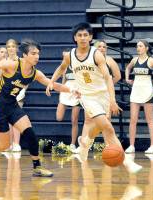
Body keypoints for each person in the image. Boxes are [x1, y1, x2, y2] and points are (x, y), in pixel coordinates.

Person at [0, 38, 79, 177]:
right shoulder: (12, 65)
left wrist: (71, 90)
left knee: (30, 134)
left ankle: (37, 167)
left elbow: (52, 84)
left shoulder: (35, 73)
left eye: (38, 53)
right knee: (4, 145)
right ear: (25, 55)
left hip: (12, 106)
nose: (37, 56)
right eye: (33, 53)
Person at [46, 22, 142, 173]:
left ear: (91, 37)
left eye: (86, 35)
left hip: (102, 95)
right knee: (108, 128)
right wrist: (51, 81)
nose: (83, 38)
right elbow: (61, 68)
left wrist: (112, 100)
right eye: (80, 35)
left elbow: (109, 78)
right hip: (87, 97)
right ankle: (127, 162)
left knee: (98, 127)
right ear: (75, 38)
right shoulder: (70, 55)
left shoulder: (96, 54)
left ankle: (85, 141)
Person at [72, 40, 121, 154]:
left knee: (106, 121)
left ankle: (108, 145)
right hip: (90, 94)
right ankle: (83, 145)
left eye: (104, 46)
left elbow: (117, 76)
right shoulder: (89, 60)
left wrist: (107, 87)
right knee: (88, 120)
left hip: (104, 94)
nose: (102, 48)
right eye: (99, 46)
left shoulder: (110, 61)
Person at [125, 40, 153, 154]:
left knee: (150, 120)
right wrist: (127, 79)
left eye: (140, 46)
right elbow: (127, 68)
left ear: (146, 48)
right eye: (137, 46)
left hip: (147, 92)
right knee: (133, 120)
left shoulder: (151, 61)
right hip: (136, 91)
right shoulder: (134, 60)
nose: (138, 48)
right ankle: (131, 146)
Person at [56, 51, 80, 152]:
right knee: (59, 117)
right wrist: (61, 93)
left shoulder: (80, 66)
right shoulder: (64, 68)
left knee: (74, 120)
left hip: (78, 92)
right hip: (66, 90)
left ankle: (73, 144)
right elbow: (63, 81)